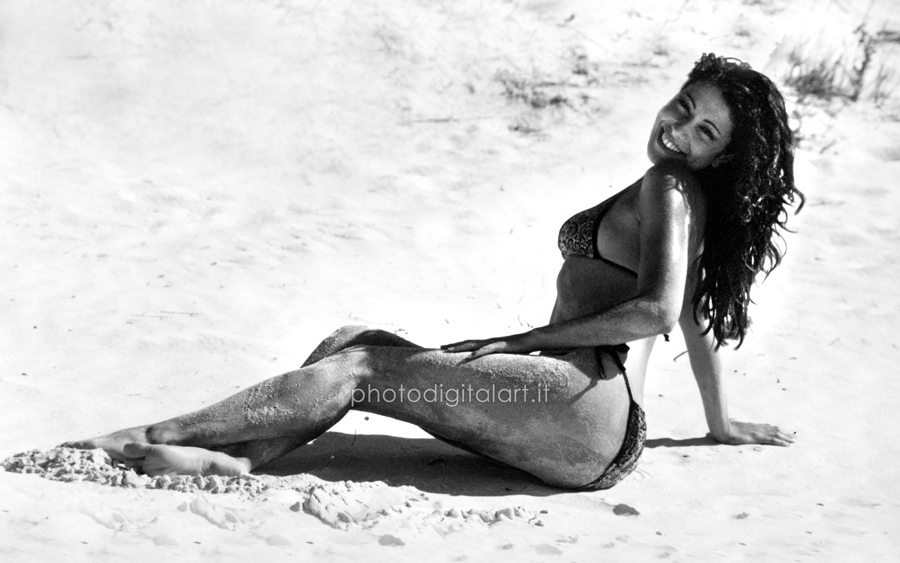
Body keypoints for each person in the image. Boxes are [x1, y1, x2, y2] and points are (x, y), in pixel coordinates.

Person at [67, 54, 802, 490]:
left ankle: (142, 437)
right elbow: (695, 315)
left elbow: (660, 311)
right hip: (588, 425)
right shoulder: (683, 197)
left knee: (361, 367)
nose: (678, 130)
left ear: (718, 158)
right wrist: (720, 423)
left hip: (582, 409)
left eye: (704, 132)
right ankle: (235, 460)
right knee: (352, 340)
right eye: (683, 107)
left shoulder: (669, 187)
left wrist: (524, 339)